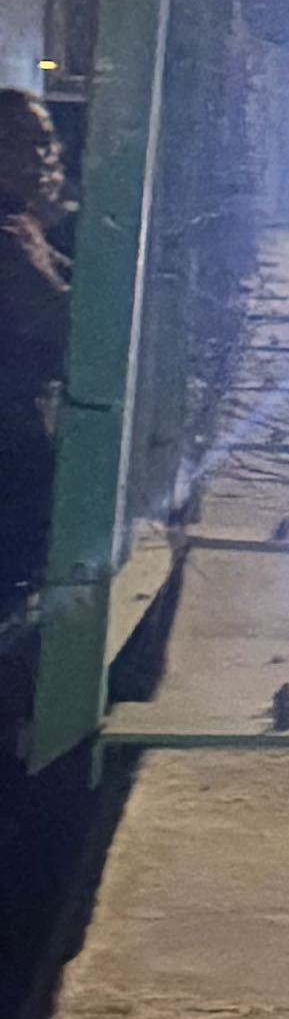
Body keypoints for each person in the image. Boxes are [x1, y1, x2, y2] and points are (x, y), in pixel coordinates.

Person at [0, 92, 71, 651]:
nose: (42, 157)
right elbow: (70, 326)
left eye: (44, 142)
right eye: (20, 143)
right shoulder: (10, 240)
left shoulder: (25, 227)